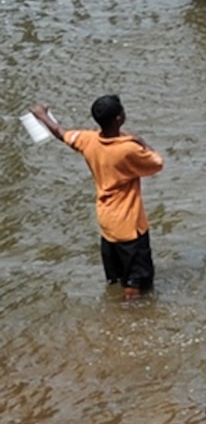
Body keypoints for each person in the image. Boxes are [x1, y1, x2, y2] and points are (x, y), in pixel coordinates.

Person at [29, 93, 163, 297]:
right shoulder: (128, 149)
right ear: (119, 118)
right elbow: (156, 163)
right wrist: (141, 141)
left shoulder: (87, 140)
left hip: (106, 224)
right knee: (136, 282)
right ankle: (129, 322)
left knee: (116, 278)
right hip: (129, 226)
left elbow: (61, 132)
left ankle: (118, 311)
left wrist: (42, 115)